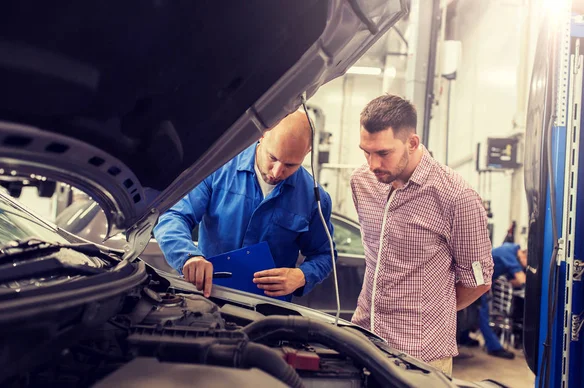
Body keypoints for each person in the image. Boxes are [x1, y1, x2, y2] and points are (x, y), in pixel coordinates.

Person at [349, 94, 494, 376]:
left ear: (412, 143)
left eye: (383, 153)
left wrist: (428, 311)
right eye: (366, 151)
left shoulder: (457, 198)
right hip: (364, 338)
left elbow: (478, 281)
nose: (372, 163)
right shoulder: (362, 182)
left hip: (422, 355)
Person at [153, 110, 337, 300]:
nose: (276, 172)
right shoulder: (218, 168)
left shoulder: (314, 199)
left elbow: (324, 255)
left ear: (307, 153)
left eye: (290, 165)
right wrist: (189, 256)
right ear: (262, 134)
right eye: (273, 158)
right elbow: (172, 216)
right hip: (206, 299)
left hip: (267, 311)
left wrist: (301, 276)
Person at [460, 242, 527, 359]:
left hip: (478, 281)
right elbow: (522, 279)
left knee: (470, 309)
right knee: (482, 313)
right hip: (477, 281)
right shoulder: (508, 251)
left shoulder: (511, 254)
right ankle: (494, 347)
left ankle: (463, 337)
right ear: (524, 255)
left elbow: (513, 281)